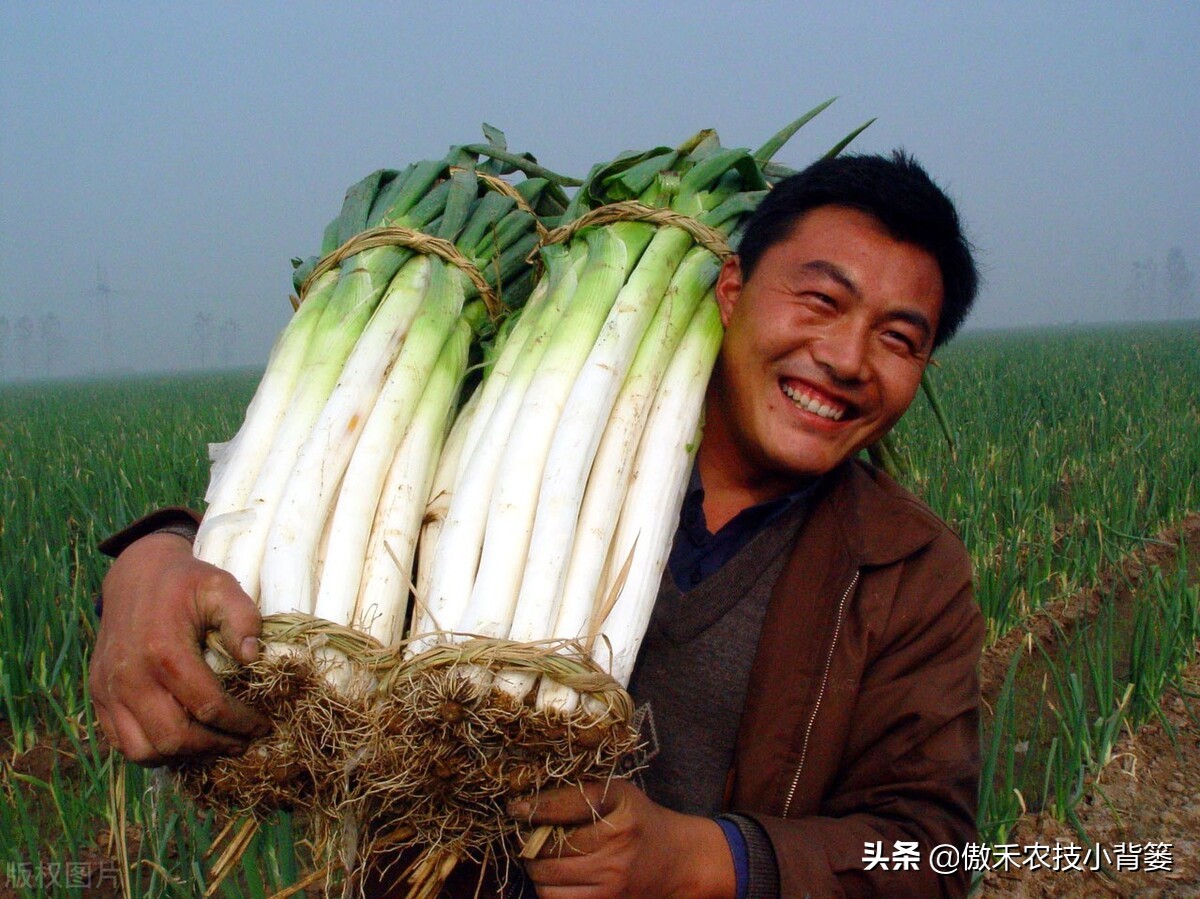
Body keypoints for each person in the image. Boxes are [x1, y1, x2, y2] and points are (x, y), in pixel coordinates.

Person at [91, 150, 983, 898]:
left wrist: (701, 860)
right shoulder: (498, 429)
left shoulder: (912, 573)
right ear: (731, 287)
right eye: (820, 301)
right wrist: (154, 553)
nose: (845, 357)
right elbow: (338, 497)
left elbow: (938, 852)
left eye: (900, 339)